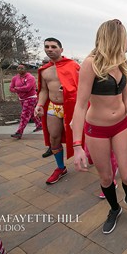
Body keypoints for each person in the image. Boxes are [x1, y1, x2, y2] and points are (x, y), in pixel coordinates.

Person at [72, 19, 127, 234]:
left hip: (120, 126)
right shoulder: (90, 64)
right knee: (105, 177)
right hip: (97, 130)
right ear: (114, 38)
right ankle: (114, 208)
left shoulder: (122, 64)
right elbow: (81, 104)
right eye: (125, 37)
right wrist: (77, 145)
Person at [35, 38, 80, 185]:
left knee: (81, 136)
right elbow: (43, 90)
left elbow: (83, 86)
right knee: (54, 137)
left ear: (61, 49)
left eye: (53, 46)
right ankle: (60, 168)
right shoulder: (44, 70)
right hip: (53, 107)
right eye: (47, 46)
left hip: (72, 106)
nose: (50, 49)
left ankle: (90, 155)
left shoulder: (73, 66)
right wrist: (40, 104)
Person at [9, 64, 42, 139]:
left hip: (31, 98)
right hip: (22, 98)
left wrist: (17, 88)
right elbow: (11, 88)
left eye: (22, 68)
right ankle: (39, 125)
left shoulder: (30, 77)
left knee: (25, 115)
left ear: (26, 69)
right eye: (18, 68)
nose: (20, 70)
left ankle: (19, 132)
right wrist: (20, 89)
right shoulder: (15, 78)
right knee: (32, 113)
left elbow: (28, 88)